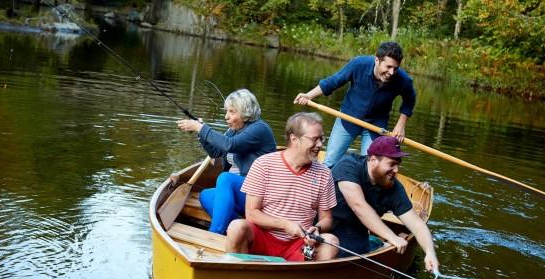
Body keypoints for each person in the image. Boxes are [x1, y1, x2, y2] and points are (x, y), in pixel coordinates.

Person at [225, 112, 339, 261]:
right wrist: (284, 224)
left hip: (299, 244)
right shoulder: (263, 164)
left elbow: (327, 219)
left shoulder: (324, 173)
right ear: (294, 139)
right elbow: (251, 213)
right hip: (263, 238)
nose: (319, 145)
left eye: (321, 139)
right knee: (236, 227)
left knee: (331, 242)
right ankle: (236, 274)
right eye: (314, 139)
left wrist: (317, 229)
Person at [294, 41, 416, 168]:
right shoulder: (358, 65)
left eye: (395, 68)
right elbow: (333, 81)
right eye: (388, 67)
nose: (391, 72)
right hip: (348, 117)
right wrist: (309, 95)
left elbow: (409, 100)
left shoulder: (403, 80)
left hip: (375, 125)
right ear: (377, 60)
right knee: (330, 161)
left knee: (370, 166)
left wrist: (401, 125)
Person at [330, 136, 439, 272]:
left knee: (354, 253)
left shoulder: (394, 188)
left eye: (398, 164)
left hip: (354, 234)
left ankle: (377, 244)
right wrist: (392, 237)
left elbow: (417, 225)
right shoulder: (349, 165)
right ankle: (380, 244)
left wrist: (430, 253)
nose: (396, 170)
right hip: (326, 224)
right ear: (374, 159)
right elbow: (358, 206)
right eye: (392, 164)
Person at [176, 89, 276, 234]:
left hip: (259, 194)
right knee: (206, 195)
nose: (226, 117)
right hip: (243, 192)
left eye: (232, 112)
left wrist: (201, 128)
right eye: (226, 111)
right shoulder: (234, 130)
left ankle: (215, 232)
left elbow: (229, 145)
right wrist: (200, 133)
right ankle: (242, 227)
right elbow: (217, 152)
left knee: (225, 179)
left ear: (245, 112)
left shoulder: (259, 129)